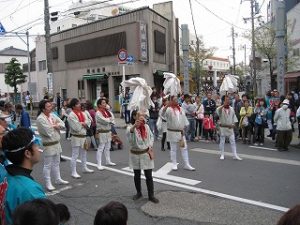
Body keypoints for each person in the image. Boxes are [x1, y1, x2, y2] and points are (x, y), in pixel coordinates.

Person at [2, 128, 46, 225]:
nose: (39, 148)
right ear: (27, 153)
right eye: (36, 143)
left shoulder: (4, 174)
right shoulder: (31, 191)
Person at [36, 100, 69, 191]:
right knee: (48, 165)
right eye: (48, 106)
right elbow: (47, 132)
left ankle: (58, 179)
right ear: (43, 109)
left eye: (50, 105)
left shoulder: (53, 115)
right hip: (48, 144)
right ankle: (48, 182)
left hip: (56, 142)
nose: (51, 107)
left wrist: (55, 125)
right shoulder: (40, 119)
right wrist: (55, 126)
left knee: (56, 163)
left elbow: (62, 124)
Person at [127, 111, 159, 203]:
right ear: (134, 117)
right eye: (140, 116)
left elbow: (151, 137)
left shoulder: (146, 126)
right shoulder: (130, 127)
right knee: (136, 175)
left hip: (145, 153)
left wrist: (150, 145)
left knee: (149, 175)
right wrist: (134, 126)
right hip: (135, 154)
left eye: (143, 116)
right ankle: (139, 193)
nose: (142, 117)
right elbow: (130, 137)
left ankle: (151, 195)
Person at [162, 95, 195, 171]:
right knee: (173, 149)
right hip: (172, 131)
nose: (177, 101)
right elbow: (163, 114)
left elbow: (184, 120)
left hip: (180, 132)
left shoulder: (181, 109)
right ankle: (174, 163)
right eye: (175, 100)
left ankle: (187, 164)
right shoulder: (169, 109)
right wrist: (167, 105)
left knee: (184, 148)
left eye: (177, 99)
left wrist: (184, 128)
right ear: (171, 101)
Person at [68, 98, 94, 178]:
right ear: (73, 106)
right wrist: (83, 124)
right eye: (77, 104)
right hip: (76, 136)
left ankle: (84, 167)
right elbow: (76, 127)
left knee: (84, 153)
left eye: (79, 103)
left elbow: (89, 121)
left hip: (83, 136)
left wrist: (83, 124)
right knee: (75, 154)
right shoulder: (71, 115)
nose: (80, 105)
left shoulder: (82, 113)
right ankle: (73, 171)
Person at [216, 95, 242, 160]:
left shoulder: (231, 108)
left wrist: (234, 124)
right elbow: (217, 112)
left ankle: (235, 155)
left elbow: (234, 118)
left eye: (228, 99)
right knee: (222, 141)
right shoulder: (220, 108)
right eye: (226, 100)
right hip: (223, 127)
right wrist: (223, 105)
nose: (228, 101)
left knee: (233, 141)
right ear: (223, 101)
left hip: (230, 127)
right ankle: (222, 154)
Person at [95, 98, 116, 170]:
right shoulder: (98, 112)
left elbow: (112, 118)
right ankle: (99, 164)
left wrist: (110, 120)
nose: (105, 104)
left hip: (108, 131)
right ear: (99, 105)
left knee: (108, 147)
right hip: (102, 131)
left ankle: (108, 161)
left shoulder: (107, 111)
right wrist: (109, 120)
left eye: (105, 103)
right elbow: (104, 121)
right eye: (103, 103)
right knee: (101, 148)